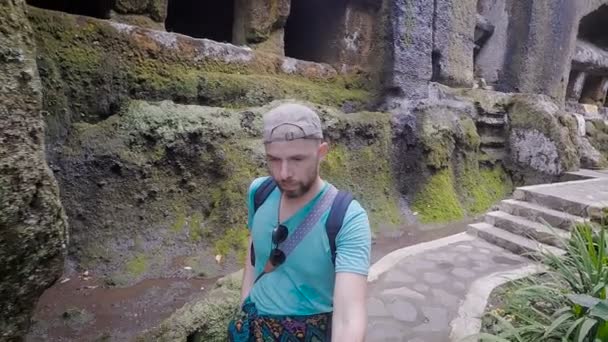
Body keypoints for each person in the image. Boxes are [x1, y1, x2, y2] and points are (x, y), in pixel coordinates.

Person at [228, 103, 372, 341]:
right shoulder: (259, 192)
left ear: (321, 152)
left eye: (297, 159)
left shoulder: (347, 217)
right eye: (274, 159)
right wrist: (245, 300)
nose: (284, 173)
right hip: (250, 326)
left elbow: (349, 318)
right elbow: (255, 251)